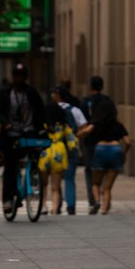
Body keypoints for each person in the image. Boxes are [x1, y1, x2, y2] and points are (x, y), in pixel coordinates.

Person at [0, 62, 45, 219]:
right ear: (13, 77)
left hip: (30, 133)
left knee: (34, 157)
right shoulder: (6, 93)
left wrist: (45, 128)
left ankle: (33, 178)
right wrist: (5, 123)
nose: (19, 78)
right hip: (10, 135)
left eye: (22, 76)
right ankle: (8, 199)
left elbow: (40, 111)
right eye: (17, 76)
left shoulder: (31, 93)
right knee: (10, 166)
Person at [82, 94, 130, 213]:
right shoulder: (118, 125)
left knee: (95, 183)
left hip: (101, 150)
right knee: (107, 187)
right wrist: (124, 152)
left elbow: (87, 131)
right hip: (115, 150)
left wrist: (77, 134)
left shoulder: (97, 123)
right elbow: (128, 142)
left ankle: (97, 200)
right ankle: (104, 210)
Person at [39, 94, 81, 215]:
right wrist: (74, 148)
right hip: (59, 151)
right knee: (55, 186)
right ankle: (55, 208)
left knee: (44, 184)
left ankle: (43, 206)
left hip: (45, 151)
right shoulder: (63, 124)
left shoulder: (44, 124)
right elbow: (71, 138)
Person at [49, 85, 86, 214]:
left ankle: (57, 204)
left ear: (57, 95)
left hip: (55, 149)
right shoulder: (75, 110)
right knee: (70, 178)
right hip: (71, 148)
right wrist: (75, 137)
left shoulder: (51, 110)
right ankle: (71, 206)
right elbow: (83, 127)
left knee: (56, 178)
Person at [81, 76, 108, 214]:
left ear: (90, 86)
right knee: (103, 170)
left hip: (89, 141)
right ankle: (104, 198)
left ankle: (93, 200)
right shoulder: (107, 101)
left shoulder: (85, 102)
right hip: (105, 140)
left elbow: (81, 122)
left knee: (89, 170)